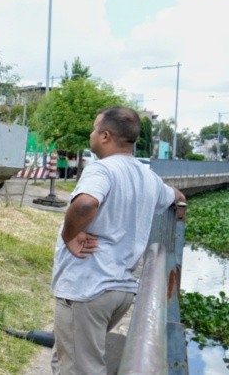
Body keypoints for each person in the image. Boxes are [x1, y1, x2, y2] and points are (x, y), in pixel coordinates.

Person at [50, 106, 186, 374]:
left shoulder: (101, 170)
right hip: (120, 291)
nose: (91, 133)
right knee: (67, 357)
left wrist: (70, 236)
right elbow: (179, 197)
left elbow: (85, 204)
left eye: (93, 128)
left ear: (105, 136)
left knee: (81, 368)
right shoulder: (148, 177)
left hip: (89, 286)